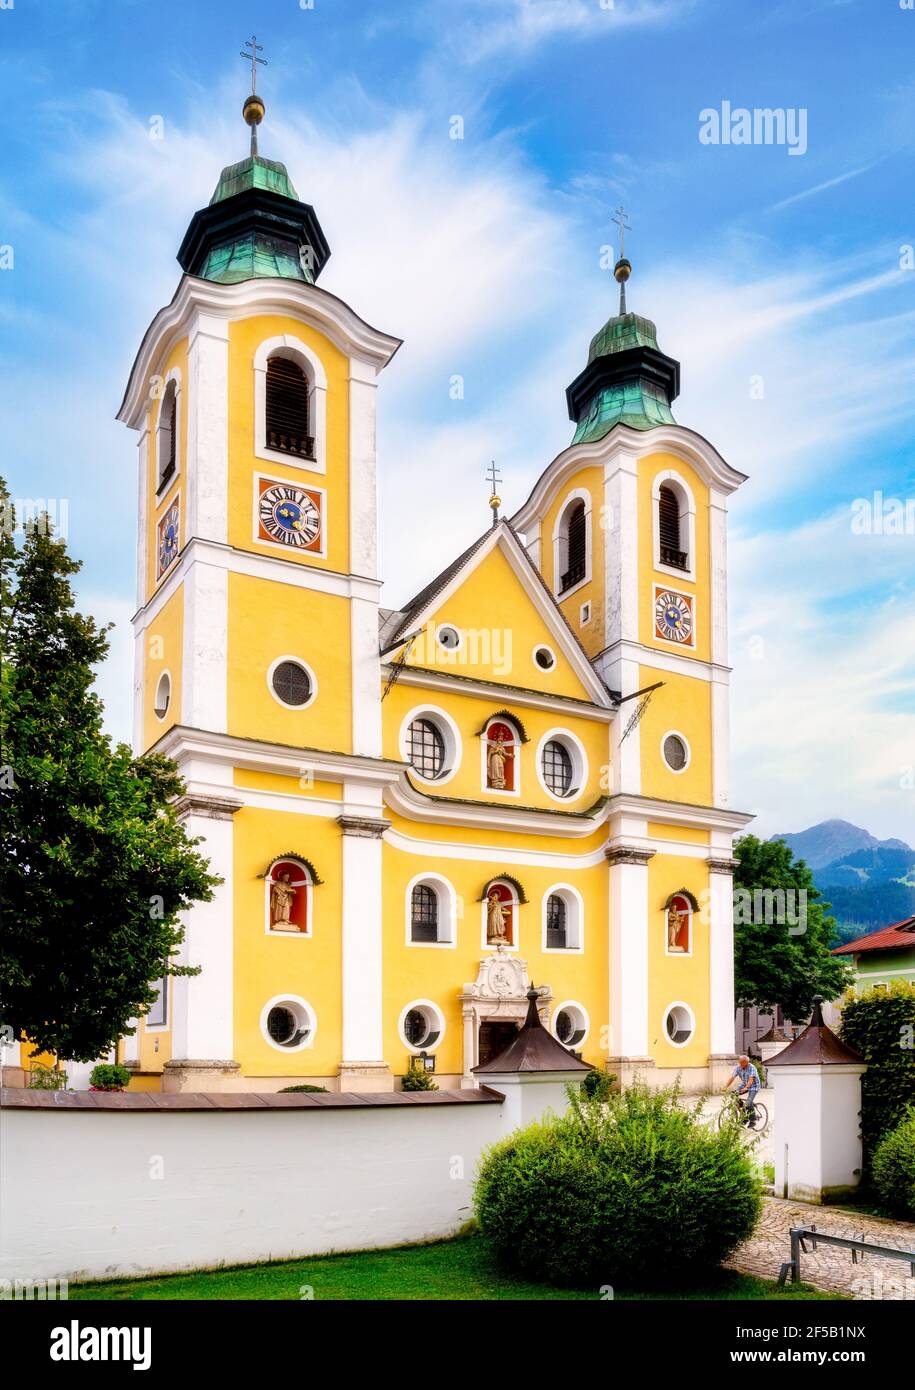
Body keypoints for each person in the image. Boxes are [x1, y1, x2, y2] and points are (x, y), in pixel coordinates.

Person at [723, 1053, 760, 1124]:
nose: (740, 1064)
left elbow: (751, 1079)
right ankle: (744, 1114)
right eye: (739, 1062)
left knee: (748, 1103)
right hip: (744, 1084)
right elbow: (732, 1077)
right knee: (733, 1095)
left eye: (742, 1062)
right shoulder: (738, 1067)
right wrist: (726, 1087)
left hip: (754, 1086)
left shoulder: (752, 1067)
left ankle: (753, 1120)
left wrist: (746, 1088)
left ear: (746, 1062)